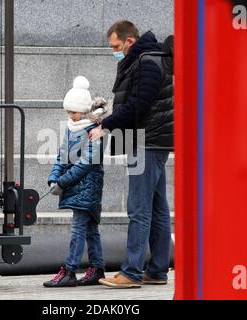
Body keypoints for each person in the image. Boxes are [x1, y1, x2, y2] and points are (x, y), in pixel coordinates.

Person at [89, 20, 174, 288]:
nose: (114, 51)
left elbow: (140, 103)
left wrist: (107, 125)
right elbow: (138, 101)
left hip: (146, 141)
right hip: (152, 140)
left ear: (130, 41)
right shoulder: (150, 59)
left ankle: (132, 272)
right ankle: (158, 270)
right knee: (158, 207)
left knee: (138, 207)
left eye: (116, 46)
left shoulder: (147, 61)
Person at [43, 76, 110, 288]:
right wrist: (54, 177)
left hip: (88, 186)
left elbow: (88, 162)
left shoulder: (95, 129)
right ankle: (97, 268)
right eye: (68, 112)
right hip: (76, 185)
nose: (70, 116)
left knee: (78, 228)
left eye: (74, 111)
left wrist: (62, 182)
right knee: (90, 227)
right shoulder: (71, 128)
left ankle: (70, 270)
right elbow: (63, 156)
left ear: (83, 110)